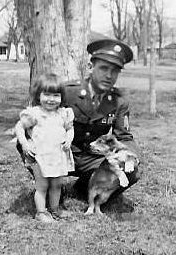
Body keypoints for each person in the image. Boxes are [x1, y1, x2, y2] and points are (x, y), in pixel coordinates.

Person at [61, 38, 141, 197]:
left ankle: (84, 189)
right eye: (104, 68)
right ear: (91, 67)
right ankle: (49, 187)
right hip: (63, 153)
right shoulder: (67, 92)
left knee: (131, 171)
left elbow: (124, 136)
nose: (109, 75)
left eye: (115, 71)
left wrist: (132, 155)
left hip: (93, 157)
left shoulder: (119, 101)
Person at [15, 73, 75, 223]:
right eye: (46, 94)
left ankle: (54, 209)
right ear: (38, 95)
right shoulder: (35, 113)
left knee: (56, 184)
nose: (51, 99)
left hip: (57, 156)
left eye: (55, 95)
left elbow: (70, 129)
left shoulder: (63, 113)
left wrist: (69, 139)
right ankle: (41, 212)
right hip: (40, 156)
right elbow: (19, 127)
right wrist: (24, 143)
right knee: (42, 185)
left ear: (61, 97)